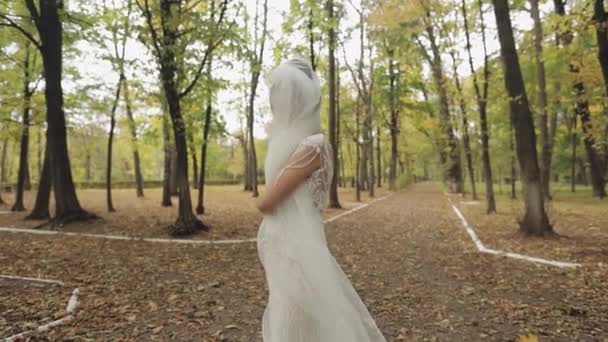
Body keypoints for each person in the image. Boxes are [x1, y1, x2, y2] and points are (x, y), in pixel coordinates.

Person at [255, 57, 387, 342]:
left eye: (282, 98)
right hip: (294, 247)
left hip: (298, 252)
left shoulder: (310, 147)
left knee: (297, 321)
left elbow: (267, 202)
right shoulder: (310, 144)